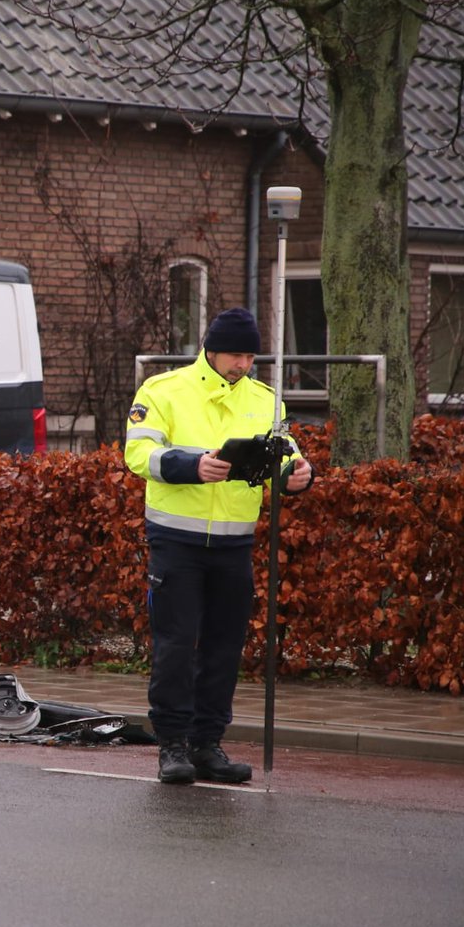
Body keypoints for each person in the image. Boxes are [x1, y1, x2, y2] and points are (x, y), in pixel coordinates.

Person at [124, 307, 314, 785]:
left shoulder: (266, 399)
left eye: (250, 355)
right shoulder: (162, 390)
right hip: (176, 541)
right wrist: (192, 465)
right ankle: (171, 745)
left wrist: (297, 475)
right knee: (175, 645)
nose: (243, 364)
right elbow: (137, 453)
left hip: (234, 543)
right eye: (235, 354)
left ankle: (207, 744)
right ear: (211, 350)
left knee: (225, 648)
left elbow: (283, 453)